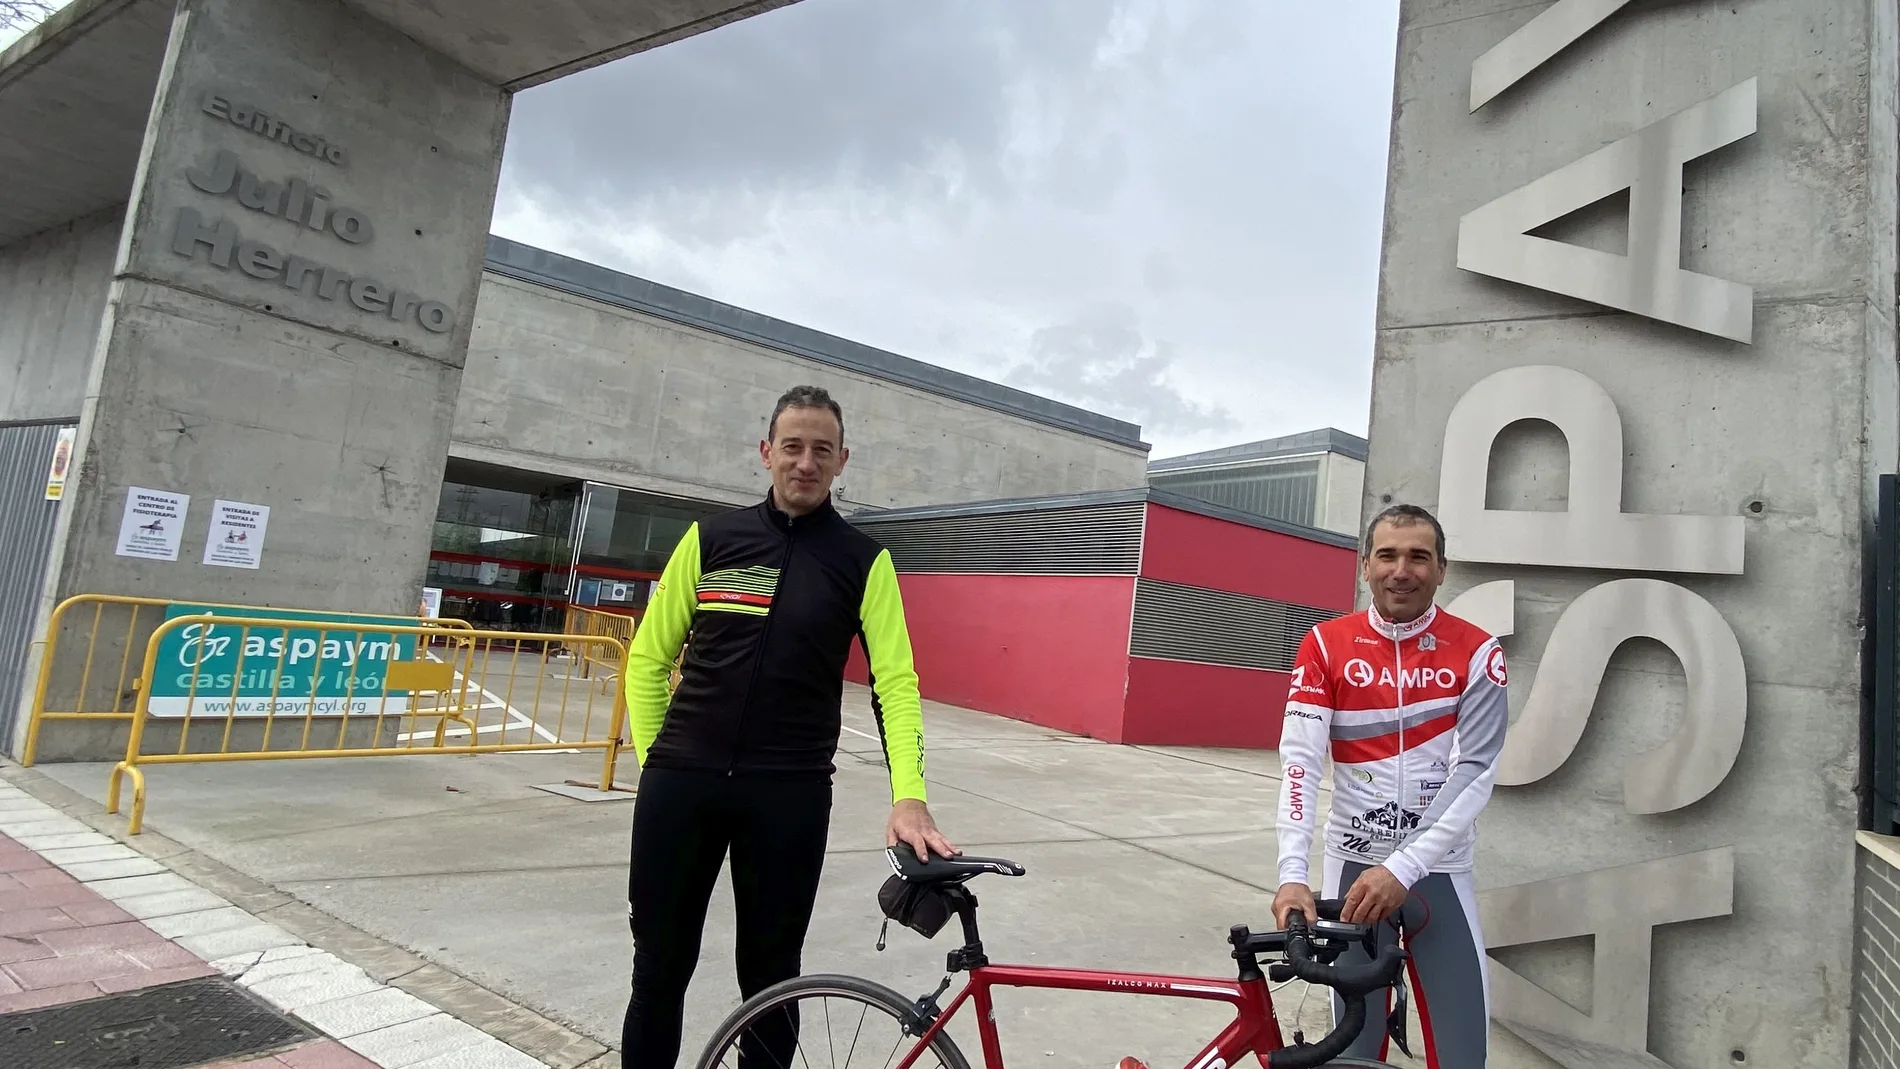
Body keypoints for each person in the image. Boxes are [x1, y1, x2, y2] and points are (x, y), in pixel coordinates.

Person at [618, 384, 959, 1068]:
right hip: (682, 784)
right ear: (767, 451)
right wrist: (661, 760)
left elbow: (896, 680)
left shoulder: (863, 560)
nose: (806, 462)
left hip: (789, 792)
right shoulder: (711, 540)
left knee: (772, 979)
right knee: (659, 967)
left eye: (822, 450)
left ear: (842, 461)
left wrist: (910, 791)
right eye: (793, 446)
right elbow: (649, 658)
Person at [1270, 503, 1507, 1067]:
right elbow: (1301, 762)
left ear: (1442, 569)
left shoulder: (1477, 651)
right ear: (1366, 566)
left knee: (1462, 1053)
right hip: (1353, 867)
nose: (1402, 569)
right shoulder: (1326, 645)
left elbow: (1476, 770)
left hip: (1438, 875)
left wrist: (1402, 869)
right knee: (1352, 1052)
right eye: (1388, 555)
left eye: (1419, 556)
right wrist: (1293, 876)